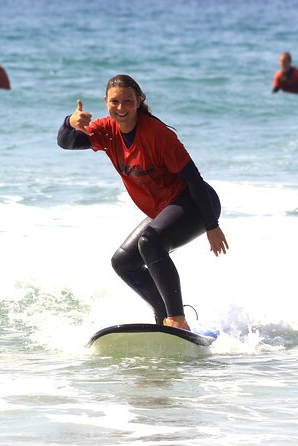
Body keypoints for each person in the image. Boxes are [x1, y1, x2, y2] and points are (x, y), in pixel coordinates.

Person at [56, 74, 229, 331]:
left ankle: (178, 320)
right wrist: (69, 122)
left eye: (128, 101)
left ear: (138, 101)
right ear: (106, 102)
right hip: (164, 208)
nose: (121, 108)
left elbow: (194, 180)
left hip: (195, 202)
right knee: (124, 262)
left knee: (150, 242)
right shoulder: (107, 131)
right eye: (115, 102)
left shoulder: (158, 135)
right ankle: (164, 317)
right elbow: (66, 143)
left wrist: (211, 225)